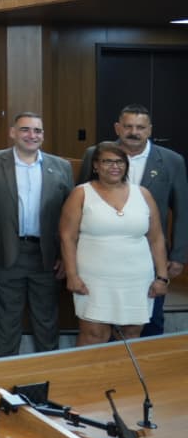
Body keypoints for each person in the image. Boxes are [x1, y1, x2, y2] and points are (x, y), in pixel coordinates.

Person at [78, 104, 187, 337]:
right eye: (128, 126)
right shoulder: (94, 154)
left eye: (140, 127)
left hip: (149, 256)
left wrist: (178, 256)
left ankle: (144, 371)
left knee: (149, 320)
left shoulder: (172, 161)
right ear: (117, 128)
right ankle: (108, 370)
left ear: (149, 130)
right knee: (101, 321)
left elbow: (182, 211)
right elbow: (80, 202)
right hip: (100, 258)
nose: (133, 132)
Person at [0, 112, 75, 356]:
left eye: (37, 131)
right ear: (13, 133)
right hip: (5, 253)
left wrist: (65, 255)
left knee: (47, 323)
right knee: (7, 324)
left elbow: (70, 216)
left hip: (46, 257)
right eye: (26, 129)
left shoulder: (61, 167)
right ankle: (7, 384)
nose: (32, 135)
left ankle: (48, 380)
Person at [60, 142, 169, 346]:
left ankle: (123, 379)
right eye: (107, 161)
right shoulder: (81, 193)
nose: (114, 166)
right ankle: (91, 379)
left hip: (137, 279)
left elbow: (156, 238)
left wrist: (162, 277)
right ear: (95, 166)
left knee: (131, 334)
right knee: (93, 334)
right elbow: (67, 237)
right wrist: (72, 275)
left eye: (120, 161)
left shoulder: (143, 194)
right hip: (94, 278)